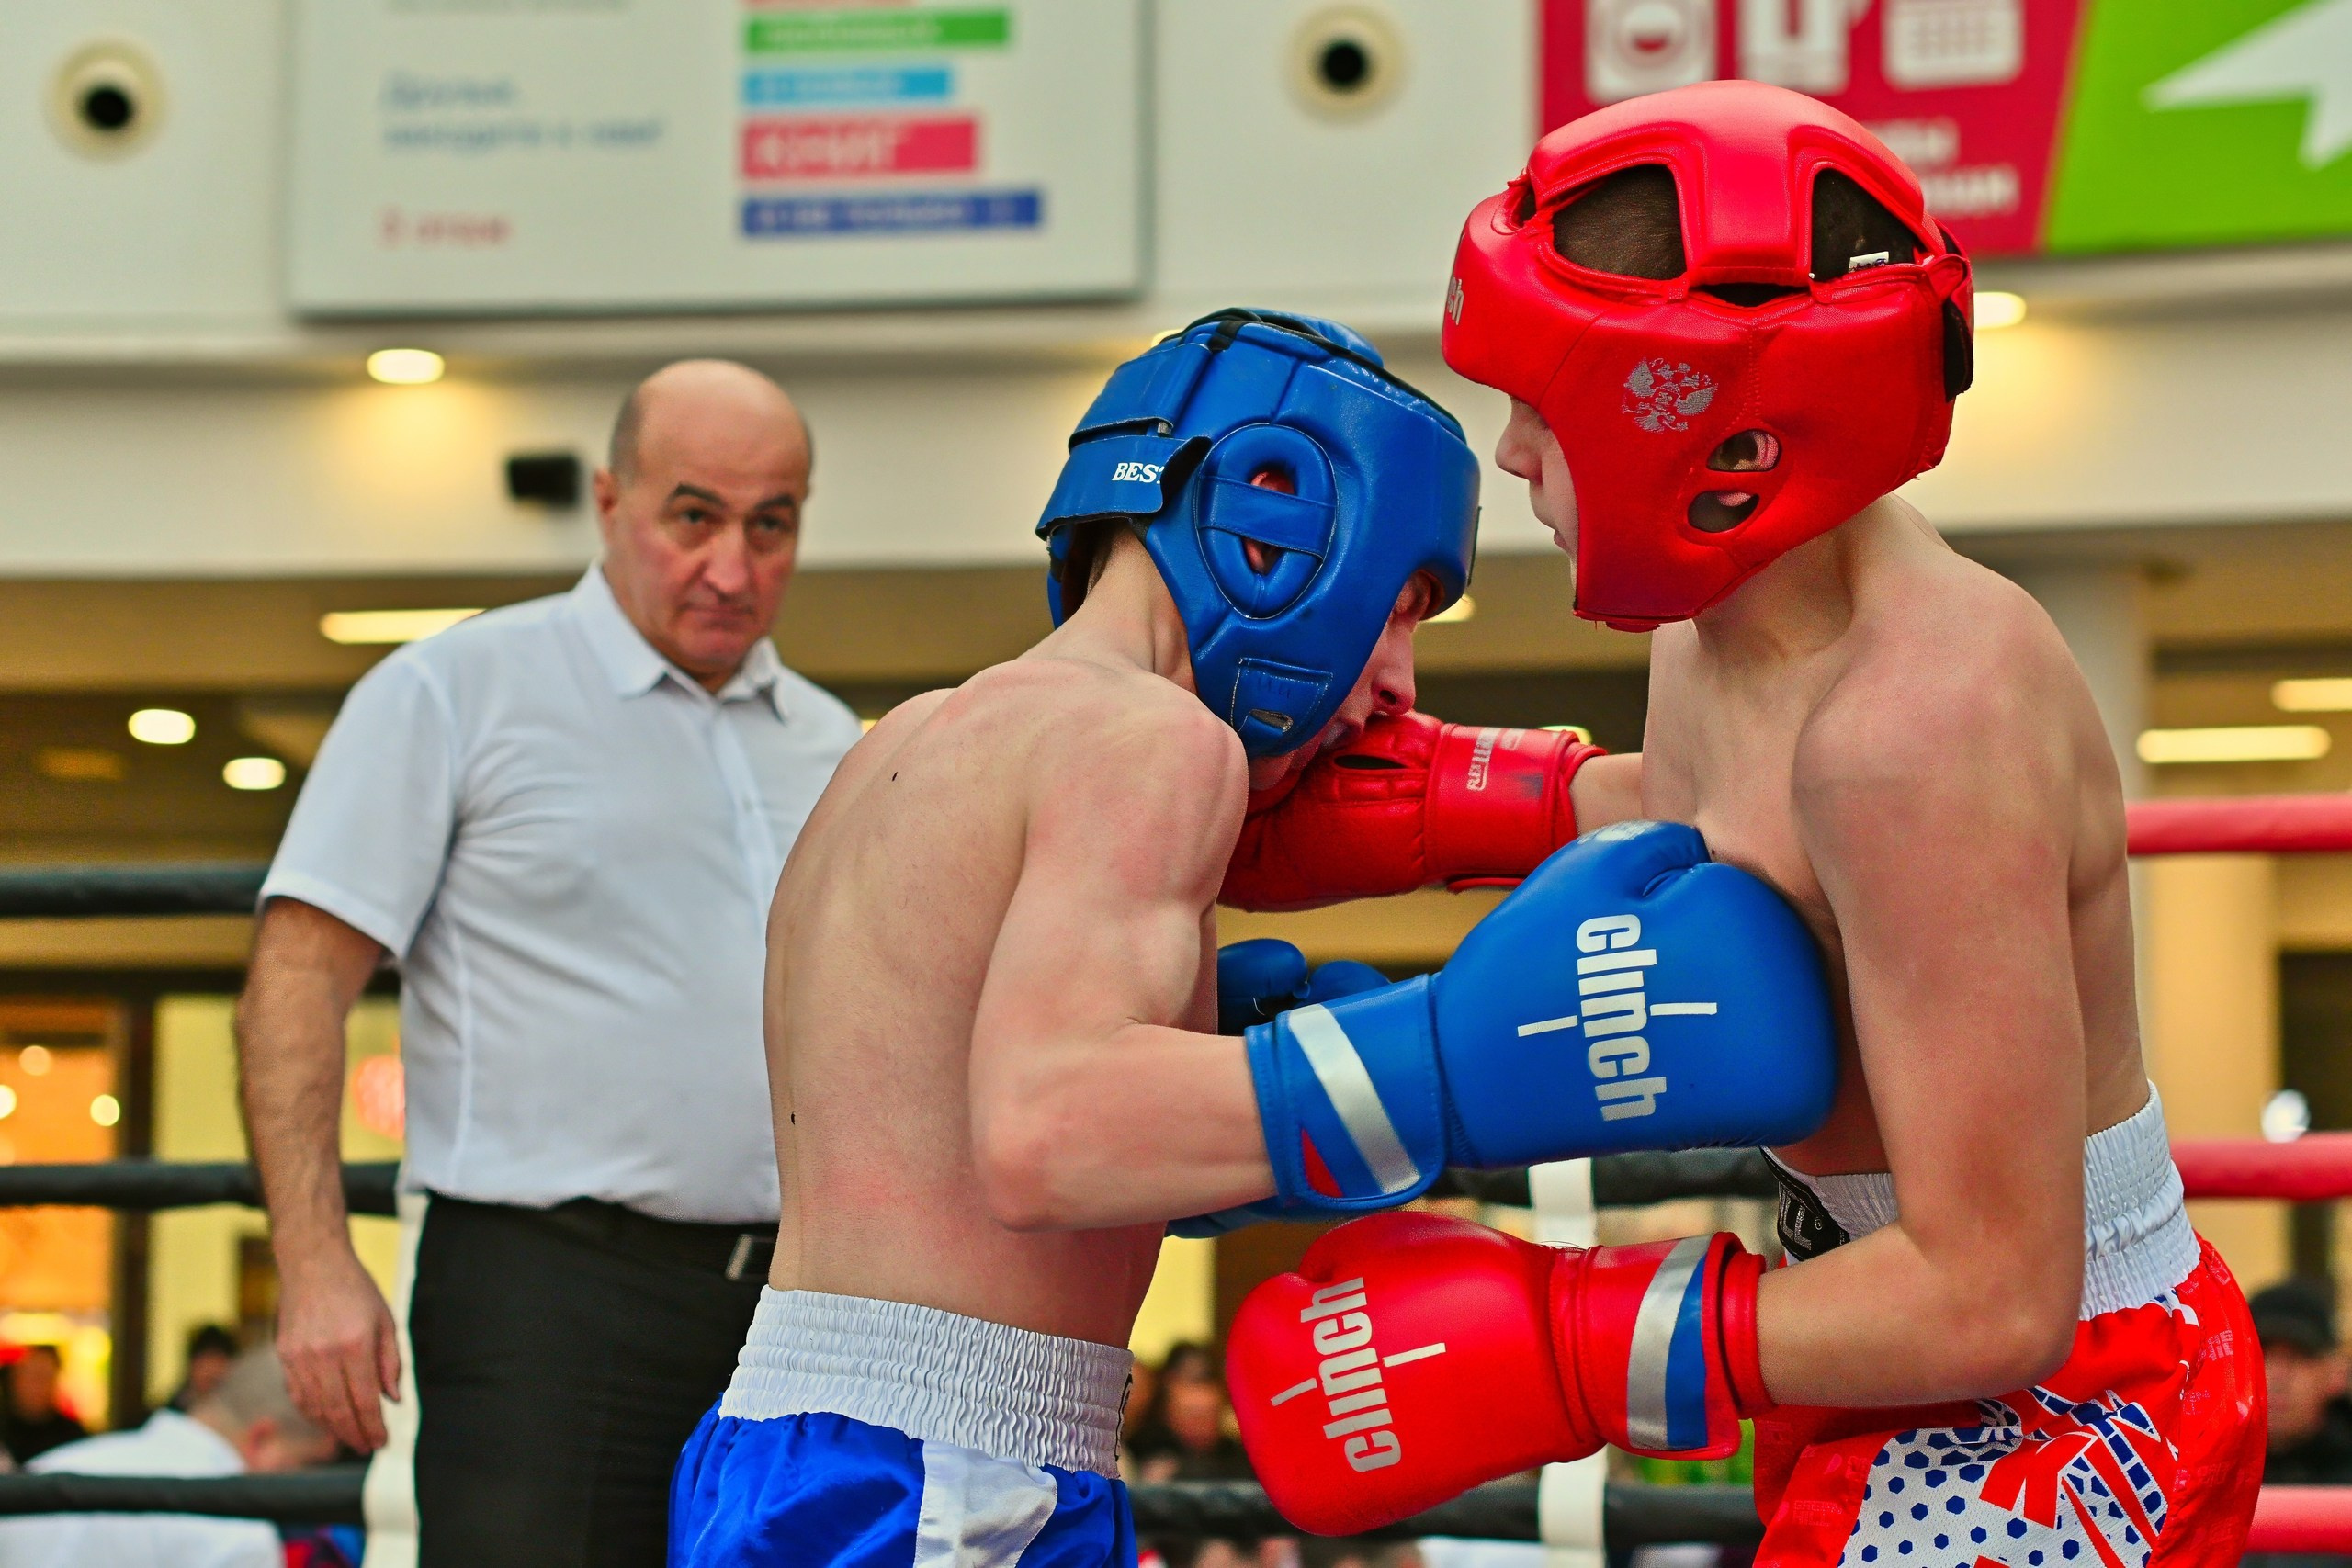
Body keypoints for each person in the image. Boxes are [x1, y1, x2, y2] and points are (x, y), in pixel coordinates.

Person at [1221, 80, 2266, 1568]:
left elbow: (1993, 1294)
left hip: (2050, 1399)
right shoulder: (1724, 622)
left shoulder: (1919, 732)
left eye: (1547, 402)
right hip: (1873, 1327)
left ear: (1712, 442)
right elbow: (1751, 850)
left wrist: (1573, 1336)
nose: (1513, 453)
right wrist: (1437, 804)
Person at [666, 308, 1844, 1568]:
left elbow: (959, 1139)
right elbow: (1041, 1131)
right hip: (941, 1473)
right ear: (1274, 529)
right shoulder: (1152, 742)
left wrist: (1246, 1111)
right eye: (1396, 611)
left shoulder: (909, 744)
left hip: (804, 1438)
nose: (1398, 680)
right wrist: (1442, 1055)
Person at [238, 359, 864, 1566]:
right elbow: (298, 976)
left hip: (788, 1303)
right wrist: (315, 1261)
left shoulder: (834, 744)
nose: (732, 566)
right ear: (609, 500)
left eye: (769, 524)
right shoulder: (454, 690)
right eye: (694, 515)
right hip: (542, 1291)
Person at [0, 1347, 336, 1568]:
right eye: (309, 1464)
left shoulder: (52, 1465)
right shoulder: (236, 1532)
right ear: (262, 1439)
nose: (307, 1482)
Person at [2251, 1280, 2352, 1484]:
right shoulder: (2186, 1473)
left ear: (2337, 1372)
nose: (2278, 1375)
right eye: (2261, 1354)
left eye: (2300, 1356)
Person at [1129, 1343, 1251, 1484]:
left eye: (1209, 1416)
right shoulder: (1146, 1446)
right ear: (1169, 1415)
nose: (1201, 1424)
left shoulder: (1235, 1455)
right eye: (1192, 1415)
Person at [0, 1347, 85, 1467]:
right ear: (14, 1379)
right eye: (33, 1376)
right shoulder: (3, 1429)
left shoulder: (72, 1432)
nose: (38, 1386)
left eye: (47, 1377)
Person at [166, 1325, 241, 1414]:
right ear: (193, 1364)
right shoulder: (170, 1412)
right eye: (204, 1367)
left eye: (216, 1380)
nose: (213, 1372)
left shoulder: (233, 1411)